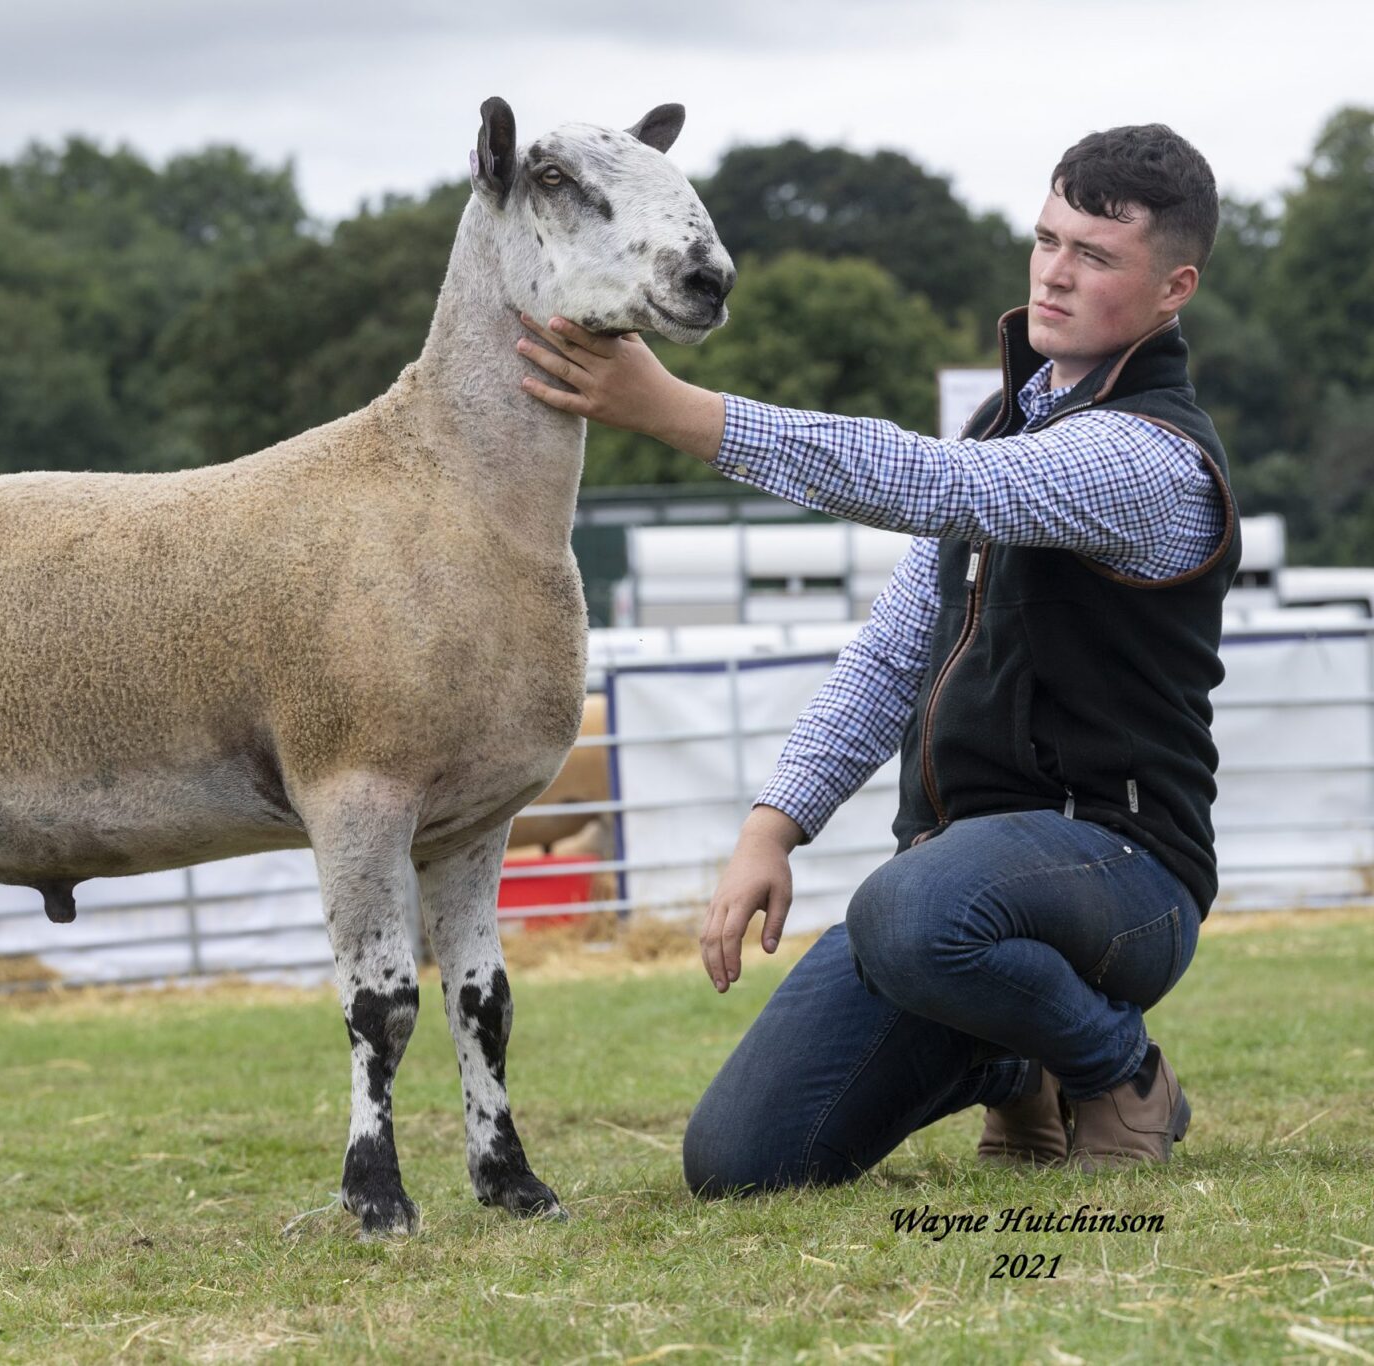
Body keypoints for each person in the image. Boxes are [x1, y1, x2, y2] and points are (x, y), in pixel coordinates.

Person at [516, 124, 1233, 1187]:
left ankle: (1117, 1069)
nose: (1053, 271)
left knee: (907, 908)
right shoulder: (1008, 425)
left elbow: (938, 486)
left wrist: (678, 413)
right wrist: (773, 824)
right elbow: (895, 650)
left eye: (1095, 255)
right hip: (958, 886)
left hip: (1122, 874)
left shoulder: (1146, 455)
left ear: (1173, 287)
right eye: (1045, 238)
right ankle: (1011, 1059)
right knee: (742, 1162)